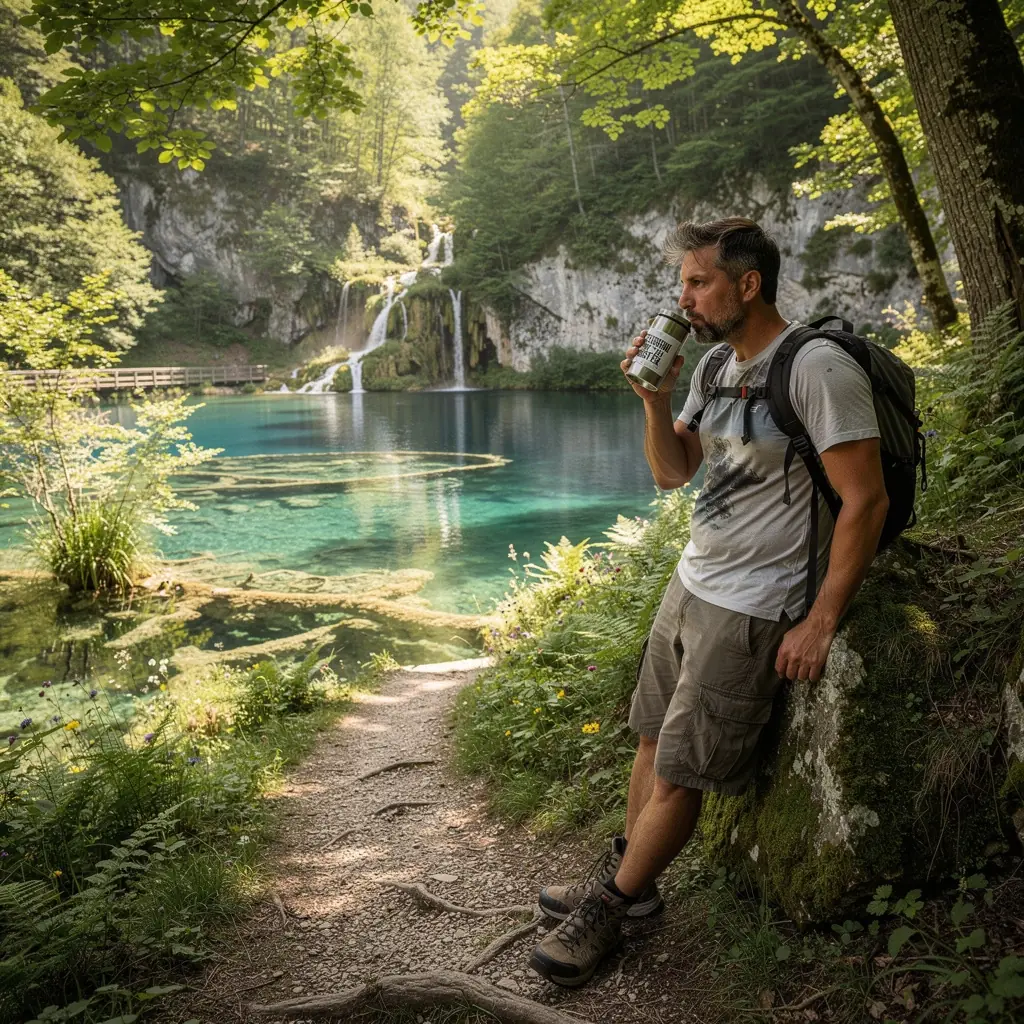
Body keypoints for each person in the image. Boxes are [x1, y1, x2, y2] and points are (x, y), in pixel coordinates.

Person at [529, 217, 889, 988]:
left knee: (679, 774)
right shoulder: (717, 365)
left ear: (747, 284)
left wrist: (821, 620)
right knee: (651, 741)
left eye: (698, 282)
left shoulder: (816, 369)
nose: (684, 298)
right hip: (692, 581)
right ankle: (632, 881)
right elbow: (673, 473)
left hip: (756, 602)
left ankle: (610, 911)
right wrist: (654, 400)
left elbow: (866, 500)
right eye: (684, 283)